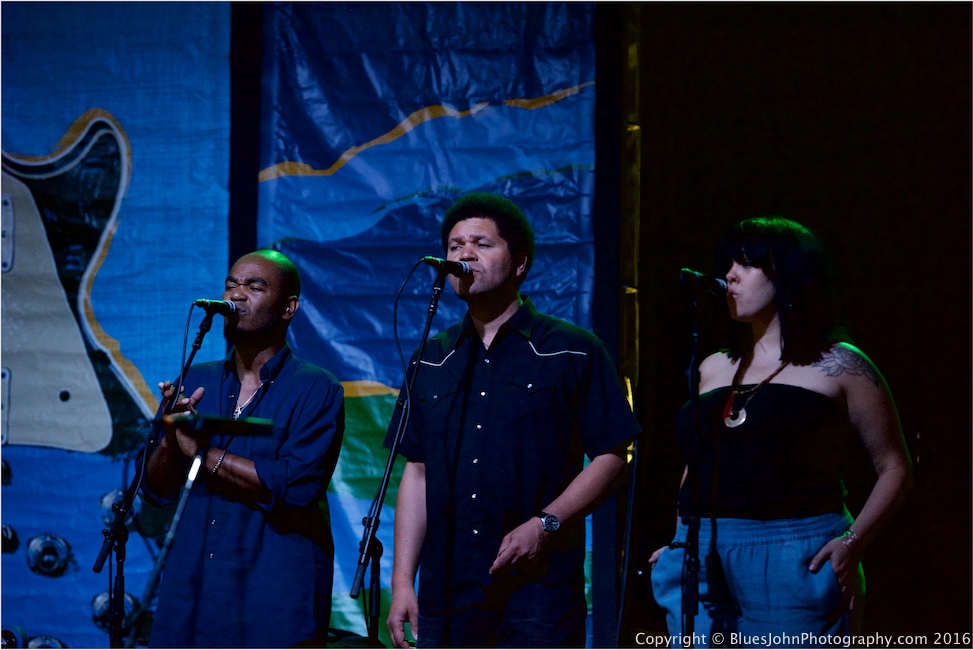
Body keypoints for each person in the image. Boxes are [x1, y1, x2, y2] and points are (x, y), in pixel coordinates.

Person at [384, 192, 641, 648]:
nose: (465, 254)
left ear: (520, 263)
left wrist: (546, 524)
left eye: (481, 244)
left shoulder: (572, 349)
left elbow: (612, 455)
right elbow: (417, 472)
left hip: (539, 588)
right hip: (448, 588)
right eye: (455, 245)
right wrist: (403, 581)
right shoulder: (431, 358)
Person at [649, 217, 913, 646]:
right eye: (728, 264)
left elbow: (894, 466)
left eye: (747, 263)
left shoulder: (840, 364)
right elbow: (698, 462)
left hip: (794, 553)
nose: (730, 275)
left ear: (788, 274)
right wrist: (680, 538)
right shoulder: (713, 366)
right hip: (702, 552)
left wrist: (852, 543)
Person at [141, 249, 345, 648]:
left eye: (254, 286)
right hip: (193, 592)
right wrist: (170, 436)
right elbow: (154, 489)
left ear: (288, 308)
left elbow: (294, 486)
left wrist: (202, 453)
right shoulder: (194, 380)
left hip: (273, 596)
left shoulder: (316, 388)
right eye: (231, 284)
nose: (236, 295)